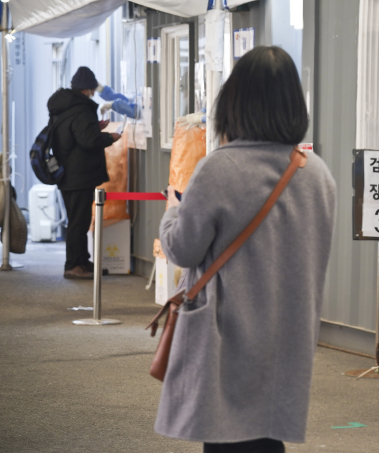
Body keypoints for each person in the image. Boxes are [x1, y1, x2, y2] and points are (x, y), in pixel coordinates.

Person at [155, 46, 337, 453]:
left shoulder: (219, 168)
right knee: (267, 438)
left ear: (234, 103)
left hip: (226, 335)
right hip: (288, 336)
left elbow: (182, 249)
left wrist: (171, 211)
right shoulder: (317, 174)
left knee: (228, 439)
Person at [48, 66, 121, 279]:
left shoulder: (66, 106)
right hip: (79, 175)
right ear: (87, 89)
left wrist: (95, 126)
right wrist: (110, 137)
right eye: (92, 89)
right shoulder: (81, 109)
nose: (93, 93)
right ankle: (73, 266)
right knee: (78, 222)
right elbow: (88, 141)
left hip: (67, 173)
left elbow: (74, 134)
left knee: (78, 220)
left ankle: (82, 261)